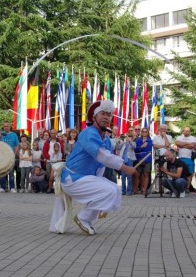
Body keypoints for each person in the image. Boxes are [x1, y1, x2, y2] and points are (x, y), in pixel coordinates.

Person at [50, 100, 136, 235]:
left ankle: (87, 220)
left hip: (84, 178)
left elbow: (103, 164)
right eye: (102, 113)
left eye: (108, 114)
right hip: (72, 178)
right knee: (108, 191)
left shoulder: (106, 140)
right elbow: (103, 156)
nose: (106, 117)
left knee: (115, 189)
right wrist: (125, 168)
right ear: (94, 116)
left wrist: (99, 189)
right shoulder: (88, 133)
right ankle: (83, 217)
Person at [0, 122, 19, 193]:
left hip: (10, 156)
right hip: (2, 156)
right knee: (2, 171)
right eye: (4, 126)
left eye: (7, 126)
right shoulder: (1, 134)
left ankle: (12, 187)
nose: (6, 127)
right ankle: (2, 187)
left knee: (11, 172)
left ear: (10, 127)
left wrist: (14, 154)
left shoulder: (14, 135)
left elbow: (17, 146)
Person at [175, 127, 196, 192]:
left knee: (190, 173)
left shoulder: (193, 138)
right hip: (181, 158)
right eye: (185, 131)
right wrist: (188, 144)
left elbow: (192, 145)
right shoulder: (179, 137)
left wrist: (182, 145)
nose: (186, 132)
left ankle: (187, 187)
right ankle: (181, 187)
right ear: (183, 131)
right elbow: (177, 143)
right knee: (181, 173)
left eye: (187, 131)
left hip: (189, 158)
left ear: (190, 132)